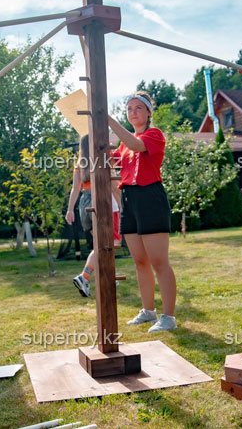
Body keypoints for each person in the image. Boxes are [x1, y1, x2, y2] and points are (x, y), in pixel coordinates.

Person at [107, 91, 177, 332]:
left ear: (149, 112)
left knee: (159, 261)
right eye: (129, 109)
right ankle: (148, 311)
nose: (133, 112)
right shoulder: (123, 146)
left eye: (138, 108)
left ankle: (168, 317)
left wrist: (107, 119)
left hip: (150, 197)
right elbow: (110, 160)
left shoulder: (154, 135)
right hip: (129, 198)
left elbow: (136, 145)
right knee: (139, 260)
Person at [67, 135, 122, 297]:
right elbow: (113, 184)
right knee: (111, 242)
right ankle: (84, 276)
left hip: (85, 205)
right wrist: (122, 203)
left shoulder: (80, 165)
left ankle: (109, 275)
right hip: (103, 201)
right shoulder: (104, 159)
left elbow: (75, 189)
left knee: (100, 244)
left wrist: (70, 210)